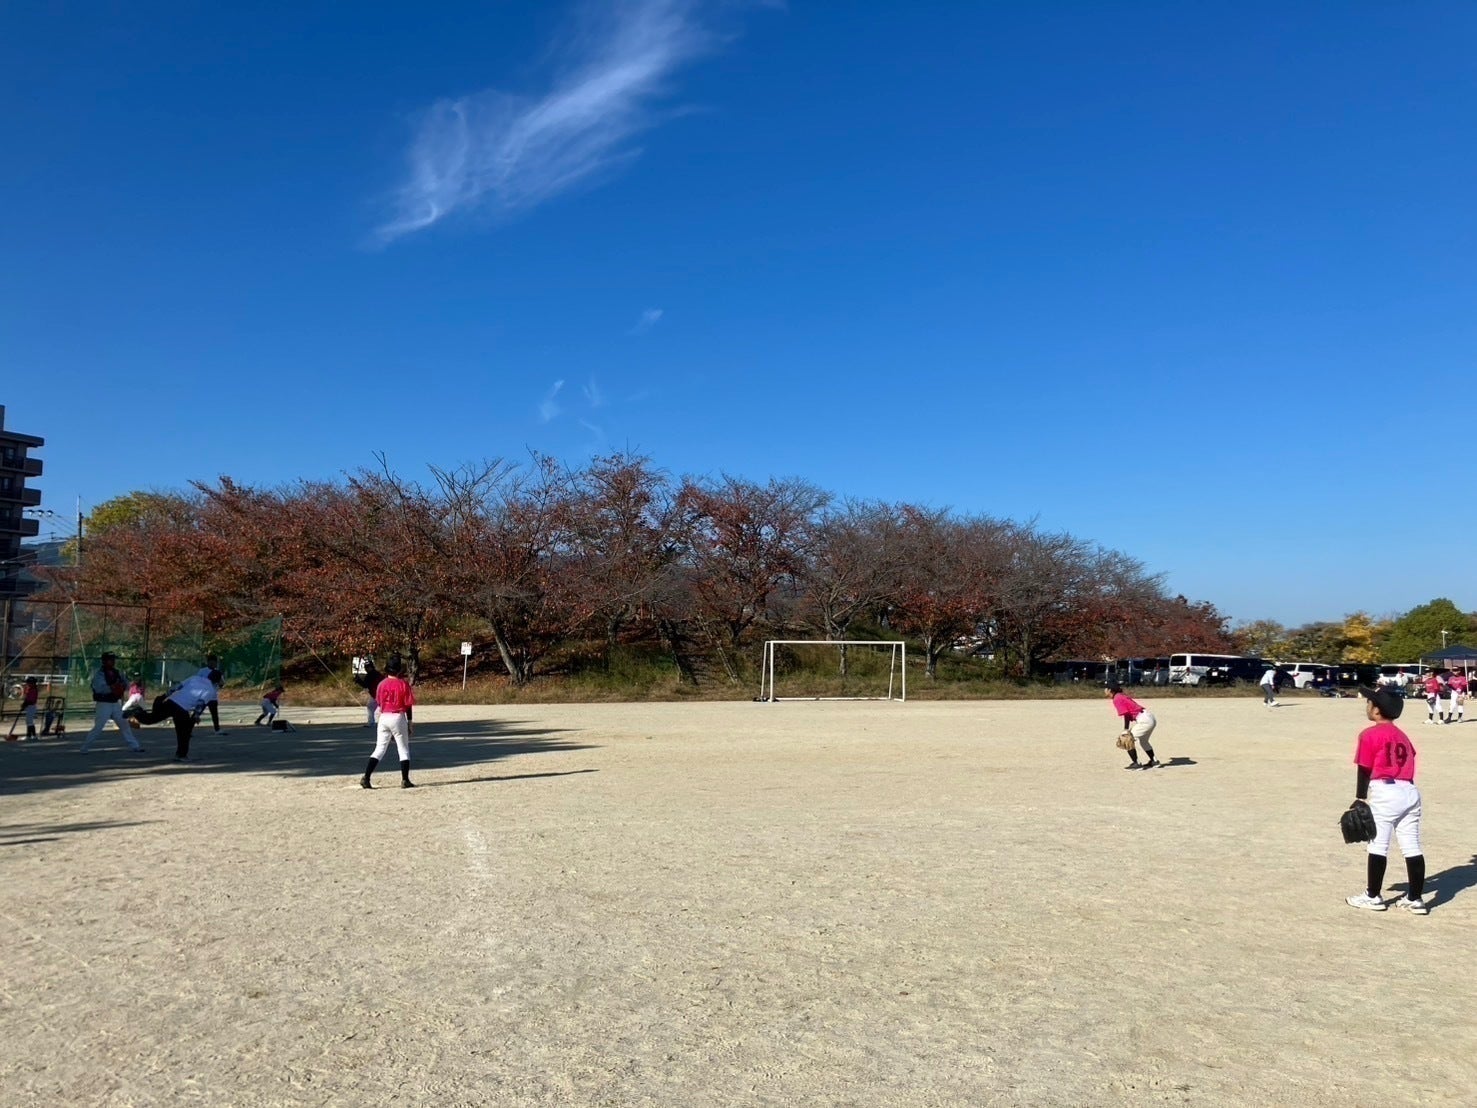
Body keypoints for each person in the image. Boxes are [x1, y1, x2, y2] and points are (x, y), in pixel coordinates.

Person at [1345, 686, 1427, 914]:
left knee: (1377, 845)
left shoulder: (1369, 734)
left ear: (1377, 710)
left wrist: (1360, 797)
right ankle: (1415, 899)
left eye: (1370, 702)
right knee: (1411, 846)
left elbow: (1364, 768)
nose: (1367, 705)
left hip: (1385, 791)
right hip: (1409, 790)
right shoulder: (1402, 735)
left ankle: (1373, 896)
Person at [134, 668, 225, 762]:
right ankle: (181, 755)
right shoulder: (210, 690)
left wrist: (165, 695)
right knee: (184, 733)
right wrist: (196, 715)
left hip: (172, 701)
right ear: (217, 680)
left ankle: (137, 713)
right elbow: (201, 703)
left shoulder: (195, 678)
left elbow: (178, 686)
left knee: (151, 718)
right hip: (182, 708)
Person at [360, 656, 415, 789]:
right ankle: (405, 780)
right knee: (403, 749)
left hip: (384, 717)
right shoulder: (403, 684)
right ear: (399, 670)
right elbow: (408, 705)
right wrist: (410, 722)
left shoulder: (381, 684)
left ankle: (366, 777)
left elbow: (379, 702)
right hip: (398, 716)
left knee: (379, 749)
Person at [79, 652, 145, 754]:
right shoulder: (99, 674)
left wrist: (122, 685)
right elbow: (99, 688)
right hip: (104, 703)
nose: (113, 662)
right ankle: (85, 747)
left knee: (124, 724)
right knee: (98, 727)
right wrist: (113, 687)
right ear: (104, 661)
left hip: (115, 703)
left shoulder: (117, 672)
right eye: (111, 660)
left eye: (113, 660)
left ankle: (135, 746)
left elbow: (126, 685)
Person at [1106, 684, 1160, 769]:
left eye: (1106, 689)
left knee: (1127, 739)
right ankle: (1154, 761)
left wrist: (1126, 730)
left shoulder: (1117, 698)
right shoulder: (1120, 696)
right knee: (1144, 741)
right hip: (1149, 717)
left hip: (1144, 720)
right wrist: (1126, 729)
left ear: (1110, 690)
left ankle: (1136, 763)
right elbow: (1127, 713)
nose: (1105, 691)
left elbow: (1126, 714)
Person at [192, 653, 227, 735]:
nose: (213, 664)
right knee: (197, 713)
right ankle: (188, 730)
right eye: (211, 663)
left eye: (215, 663)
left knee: (214, 714)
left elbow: (221, 684)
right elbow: (197, 681)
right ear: (208, 662)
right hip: (203, 697)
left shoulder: (217, 672)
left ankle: (217, 730)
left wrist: (220, 683)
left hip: (212, 697)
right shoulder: (202, 671)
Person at [20, 676, 40, 740]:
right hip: (29, 706)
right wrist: (24, 704)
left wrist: (25, 704)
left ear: (33, 683)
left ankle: (33, 735)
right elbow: (27, 698)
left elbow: (31, 700)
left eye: (29, 683)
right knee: (28, 721)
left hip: (31, 706)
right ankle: (29, 735)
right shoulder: (29, 689)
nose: (28, 684)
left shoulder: (33, 690)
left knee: (30, 721)